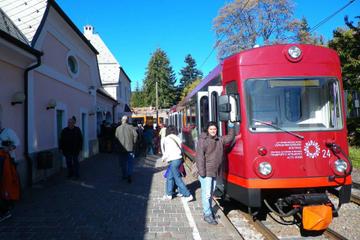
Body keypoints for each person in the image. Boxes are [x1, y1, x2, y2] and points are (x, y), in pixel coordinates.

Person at [196, 121, 235, 225]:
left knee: (210, 193)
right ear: (207, 130)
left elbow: (230, 137)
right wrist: (202, 173)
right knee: (207, 194)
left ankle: (208, 212)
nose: (213, 131)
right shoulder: (203, 140)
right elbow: (199, 157)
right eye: (211, 129)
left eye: (214, 129)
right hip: (206, 172)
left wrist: (231, 126)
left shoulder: (219, 140)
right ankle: (207, 214)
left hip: (214, 171)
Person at [162, 125, 193, 202]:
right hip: (179, 159)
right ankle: (169, 194)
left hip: (173, 160)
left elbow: (167, 151)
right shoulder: (177, 137)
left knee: (177, 178)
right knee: (170, 177)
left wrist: (163, 158)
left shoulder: (167, 139)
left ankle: (188, 195)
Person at [0, 120, 20, 222]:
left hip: (9, 160)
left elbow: (17, 142)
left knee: (10, 181)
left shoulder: (8, 131)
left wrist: (9, 148)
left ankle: (10, 203)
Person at [115, 116, 138, 183]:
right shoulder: (131, 127)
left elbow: (116, 138)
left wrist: (117, 145)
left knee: (122, 163)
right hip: (130, 147)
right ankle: (129, 174)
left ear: (122, 120)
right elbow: (136, 135)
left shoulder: (118, 128)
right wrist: (134, 142)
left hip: (121, 148)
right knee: (129, 162)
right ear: (127, 121)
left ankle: (124, 175)